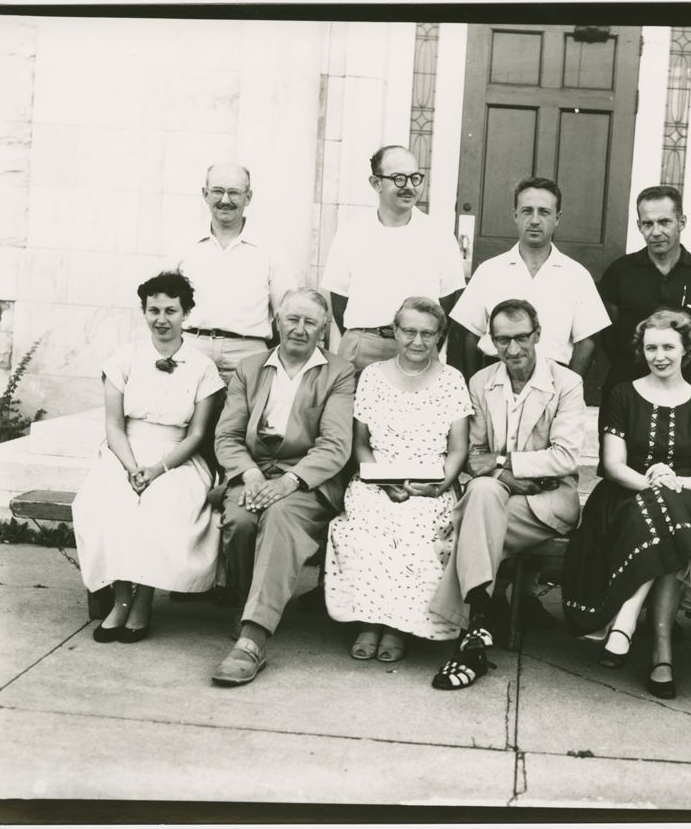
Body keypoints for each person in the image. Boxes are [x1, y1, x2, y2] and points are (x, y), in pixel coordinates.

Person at [562, 309, 691, 699]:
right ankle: (661, 653)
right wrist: (651, 483)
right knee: (667, 519)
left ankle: (625, 621)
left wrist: (673, 482)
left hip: (690, 498)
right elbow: (612, 466)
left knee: (671, 513)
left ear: (686, 349)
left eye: (668, 347)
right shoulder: (622, 394)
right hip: (625, 496)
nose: (659, 355)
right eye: (650, 347)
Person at [429, 299, 586, 690]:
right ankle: (476, 634)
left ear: (537, 335)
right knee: (482, 492)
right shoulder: (482, 382)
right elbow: (474, 457)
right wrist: (506, 474)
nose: (512, 350)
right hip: (498, 494)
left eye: (521, 338)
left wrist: (500, 465)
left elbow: (565, 458)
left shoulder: (567, 383)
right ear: (491, 341)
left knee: (470, 522)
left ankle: (472, 624)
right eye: (502, 340)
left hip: (549, 502)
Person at [212, 288, 354, 686]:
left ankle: (253, 639)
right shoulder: (250, 368)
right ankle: (248, 602)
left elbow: (335, 444)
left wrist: (291, 480)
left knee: (278, 515)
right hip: (254, 472)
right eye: (292, 319)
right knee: (240, 519)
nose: (300, 329)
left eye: (311, 322)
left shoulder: (339, 372)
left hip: (307, 479)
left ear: (324, 329)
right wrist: (250, 474)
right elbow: (227, 436)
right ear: (277, 321)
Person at [73, 272, 225, 642]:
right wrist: (130, 468)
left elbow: (198, 434)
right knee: (113, 502)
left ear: (186, 313)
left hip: (177, 458)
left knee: (161, 505)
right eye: (153, 310)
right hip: (124, 452)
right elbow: (114, 425)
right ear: (143, 312)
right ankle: (121, 601)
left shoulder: (202, 366)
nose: (162, 319)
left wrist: (157, 469)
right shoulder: (124, 357)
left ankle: (144, 602)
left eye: (171, 310)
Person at [325, 297, 472, 661]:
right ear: (395, 331)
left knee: (416, 526)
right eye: (409, 331)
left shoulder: (453, 380)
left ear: (440, 336)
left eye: (427, 333)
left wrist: (438, 486)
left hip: (431, 481)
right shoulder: (373, 376)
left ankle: (397, 627)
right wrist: (381, 480)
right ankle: (370, 621)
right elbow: (360, 444)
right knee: (370, 523)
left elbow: (457, 450)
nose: (417, 341)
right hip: (377, 477)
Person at [321, 145, 466, 375]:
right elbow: (339, 299)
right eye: (399, 179)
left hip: (419, 348)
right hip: (362, 348)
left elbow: (448, 299)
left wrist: (424, 340)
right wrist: (367, 336)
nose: (409, 187)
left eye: (415, 178)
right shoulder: (351, 233)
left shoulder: (439, 235)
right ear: (376, 183)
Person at [450, 176, 611, 381]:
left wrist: (568, 389)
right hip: (495, 379)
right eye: (527, 211)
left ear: (558, 218)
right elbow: (470, 335)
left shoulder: (577, 275)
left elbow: (587, 341)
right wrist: (477, 389)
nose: (535, 220)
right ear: (515, 215)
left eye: (544, 212)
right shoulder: (489, 271)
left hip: (553, 379)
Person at [597, 185, 691, 402]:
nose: (656, 232)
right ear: (639, 226)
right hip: (625, 393)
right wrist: (633, 381)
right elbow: (608, 340)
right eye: (648, 223)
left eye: (664, 222)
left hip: (684, 396)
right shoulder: (619, 272)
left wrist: (684, 380)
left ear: (681, 222)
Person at [174, 162, 298, 383]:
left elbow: (287, 312)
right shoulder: (184, 244)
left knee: (243, 418)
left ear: (248, 197)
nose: (225, 200)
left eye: (234, 193)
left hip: (248, 353)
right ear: (205, 194)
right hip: (193, 348)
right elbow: (164, 303)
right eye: (218, 191)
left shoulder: (270, 248)